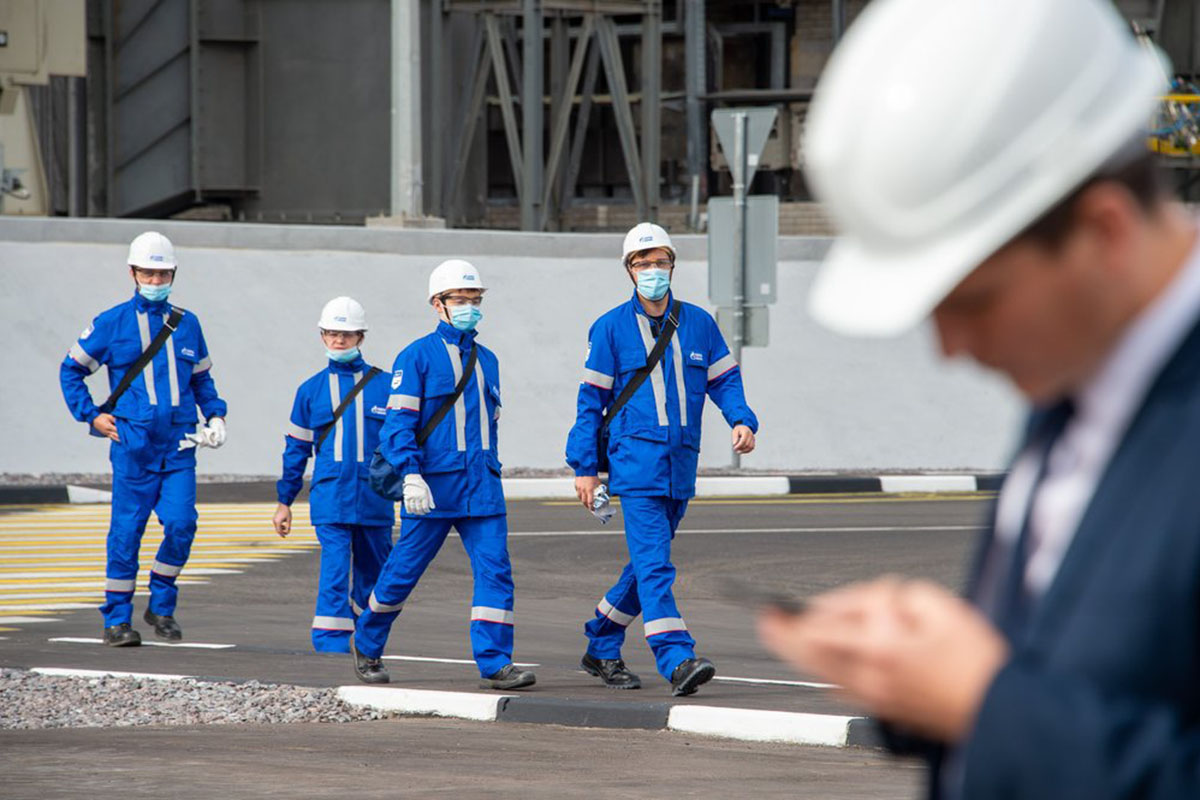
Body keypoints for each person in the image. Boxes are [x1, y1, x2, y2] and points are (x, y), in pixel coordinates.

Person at [756, 0, 1200, 798]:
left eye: (976, 301)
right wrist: (919, 678)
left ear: (1104, 232)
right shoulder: (1078, 380)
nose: (950, 347)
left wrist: (981, 700)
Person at [565, 222, 758, 696]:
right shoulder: (609, 328)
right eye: (643, 264)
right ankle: (676, 656)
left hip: (679, 466)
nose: (653, 271)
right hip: (635, 466)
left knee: (645, 563)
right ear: (629, 270)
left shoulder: (698, 323)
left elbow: (725, 380)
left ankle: (602, 641)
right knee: (654, 566)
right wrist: (585, 469)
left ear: (673, 264)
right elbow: (590, 403)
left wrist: (743, 419)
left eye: (660, 262)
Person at [350, 259, 535, 691]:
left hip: (483, 487)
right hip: (432, 488)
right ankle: (367, 640)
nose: (470, 307)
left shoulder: (487, 360)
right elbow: (397, 426)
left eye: (475, 300)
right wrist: (411, 475)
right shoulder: (415, 357)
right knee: (401, 573)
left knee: (496, 572)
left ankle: (495, 663)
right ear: (438, 304)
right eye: (460, 300)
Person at [59, 231, 227, 646]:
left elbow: (202, 379)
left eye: (163, 272)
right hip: (132, 445)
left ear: (173, 273)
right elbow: (71, 370)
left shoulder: (188, 324)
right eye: (148, 272)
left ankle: (161, 605)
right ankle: (116, 619)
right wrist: (92, 416)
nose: (155, 279)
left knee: (183, 524)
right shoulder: (111, 323)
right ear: (132, 272)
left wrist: (217, 414)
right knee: (126, 532)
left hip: (180, 446)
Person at [273, 297, 394, 653]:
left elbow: (404, 441)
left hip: (375, 499)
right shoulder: (309, 391)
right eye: (332, 334)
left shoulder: (385, 386)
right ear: (322, 336)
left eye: (346, 334)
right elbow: (296, 451)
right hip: (331, 498)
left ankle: (367, 637)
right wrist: (284, 502)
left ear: (360, 336)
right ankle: (331, 644)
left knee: (376, 575)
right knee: (335, 571)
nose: (339, 341)